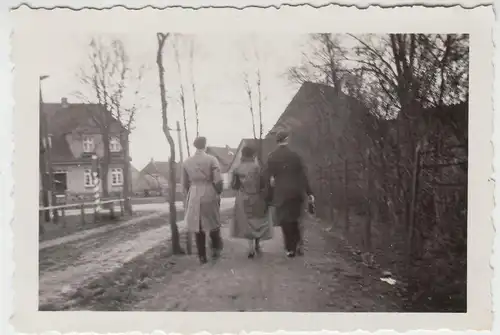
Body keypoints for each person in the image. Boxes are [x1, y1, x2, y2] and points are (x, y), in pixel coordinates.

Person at [266, 130, 314, 257]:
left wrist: (268, 196)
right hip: (295, 192)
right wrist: (309, 192)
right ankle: (298, 243)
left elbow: (268, 177)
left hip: (281, 193)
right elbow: (303, 176)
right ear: (287, 140)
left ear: (277, 141)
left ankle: (290, 248)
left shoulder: (272, 156)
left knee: (284, 221)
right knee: (295, 219)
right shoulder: (295, 156)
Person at [182, 136, 224, 264]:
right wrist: (218, 192)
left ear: (195, 146)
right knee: (213, 222)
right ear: (205, 145)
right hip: (208, 191)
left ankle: (202, 256)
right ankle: (215, 249)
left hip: (194, 193)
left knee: (197, 225)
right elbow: (218, 180)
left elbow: (184, 183)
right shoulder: (212, 159)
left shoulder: (187, 162)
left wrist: (189, 195)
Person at [230, 146, 273, 258]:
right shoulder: (258, 168)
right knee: (257, 220)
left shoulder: (237, 169)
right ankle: (258, 245)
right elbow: (264, 183)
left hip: (243, 197)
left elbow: (234, 185)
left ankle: (250, 248)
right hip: (257, 196)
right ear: (253, 155)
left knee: (247, 222)